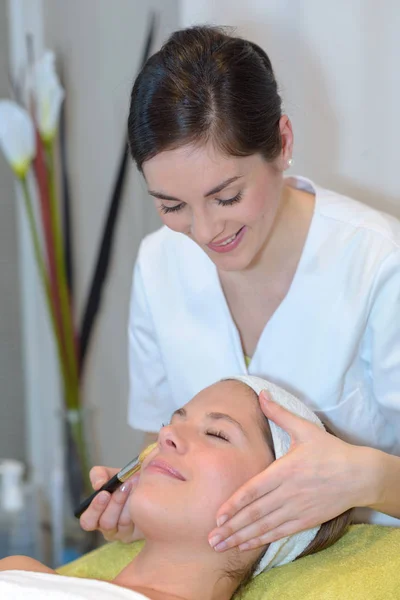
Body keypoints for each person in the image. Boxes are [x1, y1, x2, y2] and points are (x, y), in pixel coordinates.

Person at [81, 25, 400, 552]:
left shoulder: (378, 264)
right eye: (172, 206)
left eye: (226, 197)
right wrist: (140, 503)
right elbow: (153, 440)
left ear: (282, 144)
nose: (205, 232)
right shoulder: (158, 264)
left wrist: (368, 479)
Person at [0, 377, 352, 600]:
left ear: (279, 505)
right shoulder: (18, 570)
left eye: (217, 433)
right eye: (173, 421)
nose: (165, 434)